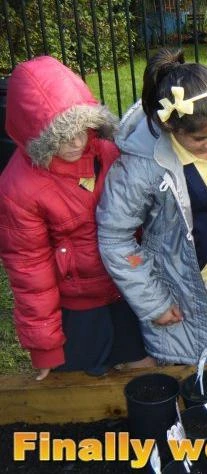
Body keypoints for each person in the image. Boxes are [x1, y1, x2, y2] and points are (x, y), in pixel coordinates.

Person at [97, 49, 207, 364]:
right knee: (191, 371)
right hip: (182, 290)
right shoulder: (141, 166)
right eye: (200, 140)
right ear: (170, 126)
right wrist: (153, 302)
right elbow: (114, 237)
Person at [0, 56, 153, 380]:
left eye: (81, 128)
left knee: (143, 370)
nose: (76, 141)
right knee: (81, 384)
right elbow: (29, 270)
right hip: (79, 305)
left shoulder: (108, 153)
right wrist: (44, 346)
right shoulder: (18, 188)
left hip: (126, 285)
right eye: (60, 135)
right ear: (34, 135)